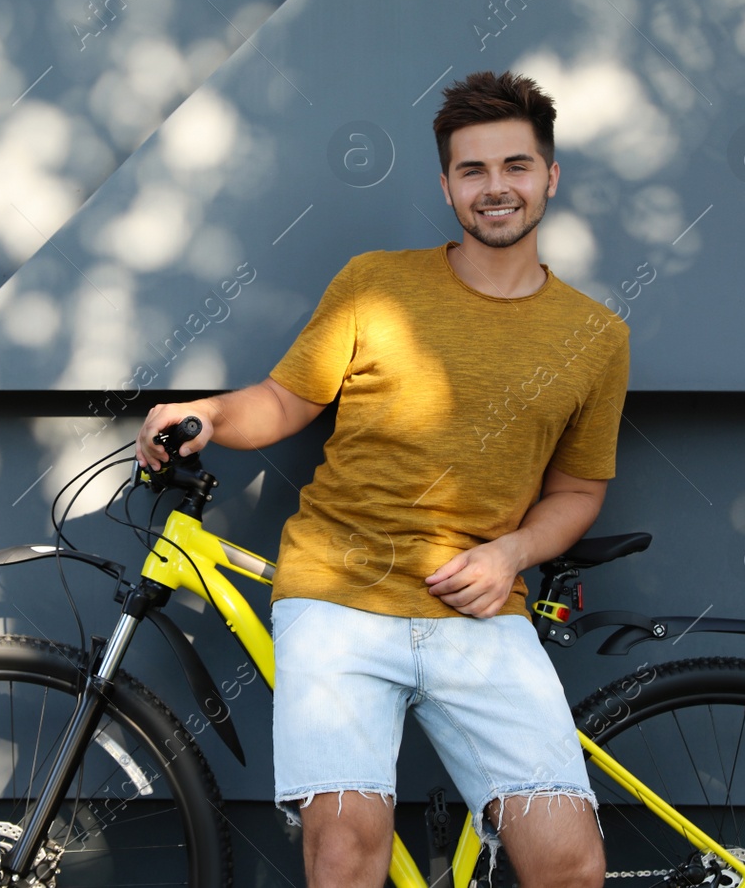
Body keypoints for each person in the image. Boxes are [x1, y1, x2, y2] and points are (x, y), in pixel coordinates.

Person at [135, 70, 628, 888]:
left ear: (550, 176)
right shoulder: (376, 283)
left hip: (481, 611)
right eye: (473, 171)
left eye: (515, 165)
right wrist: (212, 416)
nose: (495, 187)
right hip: (338, 601)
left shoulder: (597, 335)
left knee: (571, 866)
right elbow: (286, 400)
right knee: (344, 855)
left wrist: (511, 553)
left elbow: (578, 492)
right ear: (446, 186)